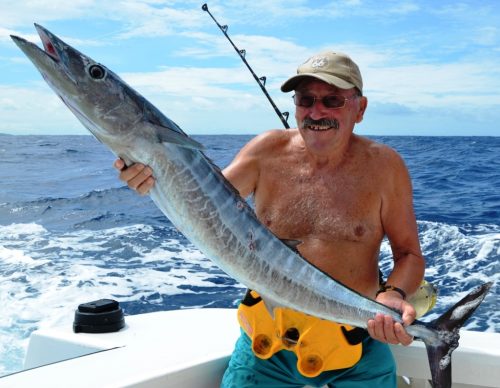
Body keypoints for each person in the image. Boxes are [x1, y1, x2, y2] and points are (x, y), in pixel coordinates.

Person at [114, 50, 425, 387]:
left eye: (332, 100)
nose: (316, 111)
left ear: (359, 109)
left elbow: (408, 254)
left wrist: (393, 294)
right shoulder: (266, 151)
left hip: (357, 341)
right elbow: (201, 208)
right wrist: (150, 177)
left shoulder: (384, 167)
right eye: (306, 99)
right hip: (266, 342)